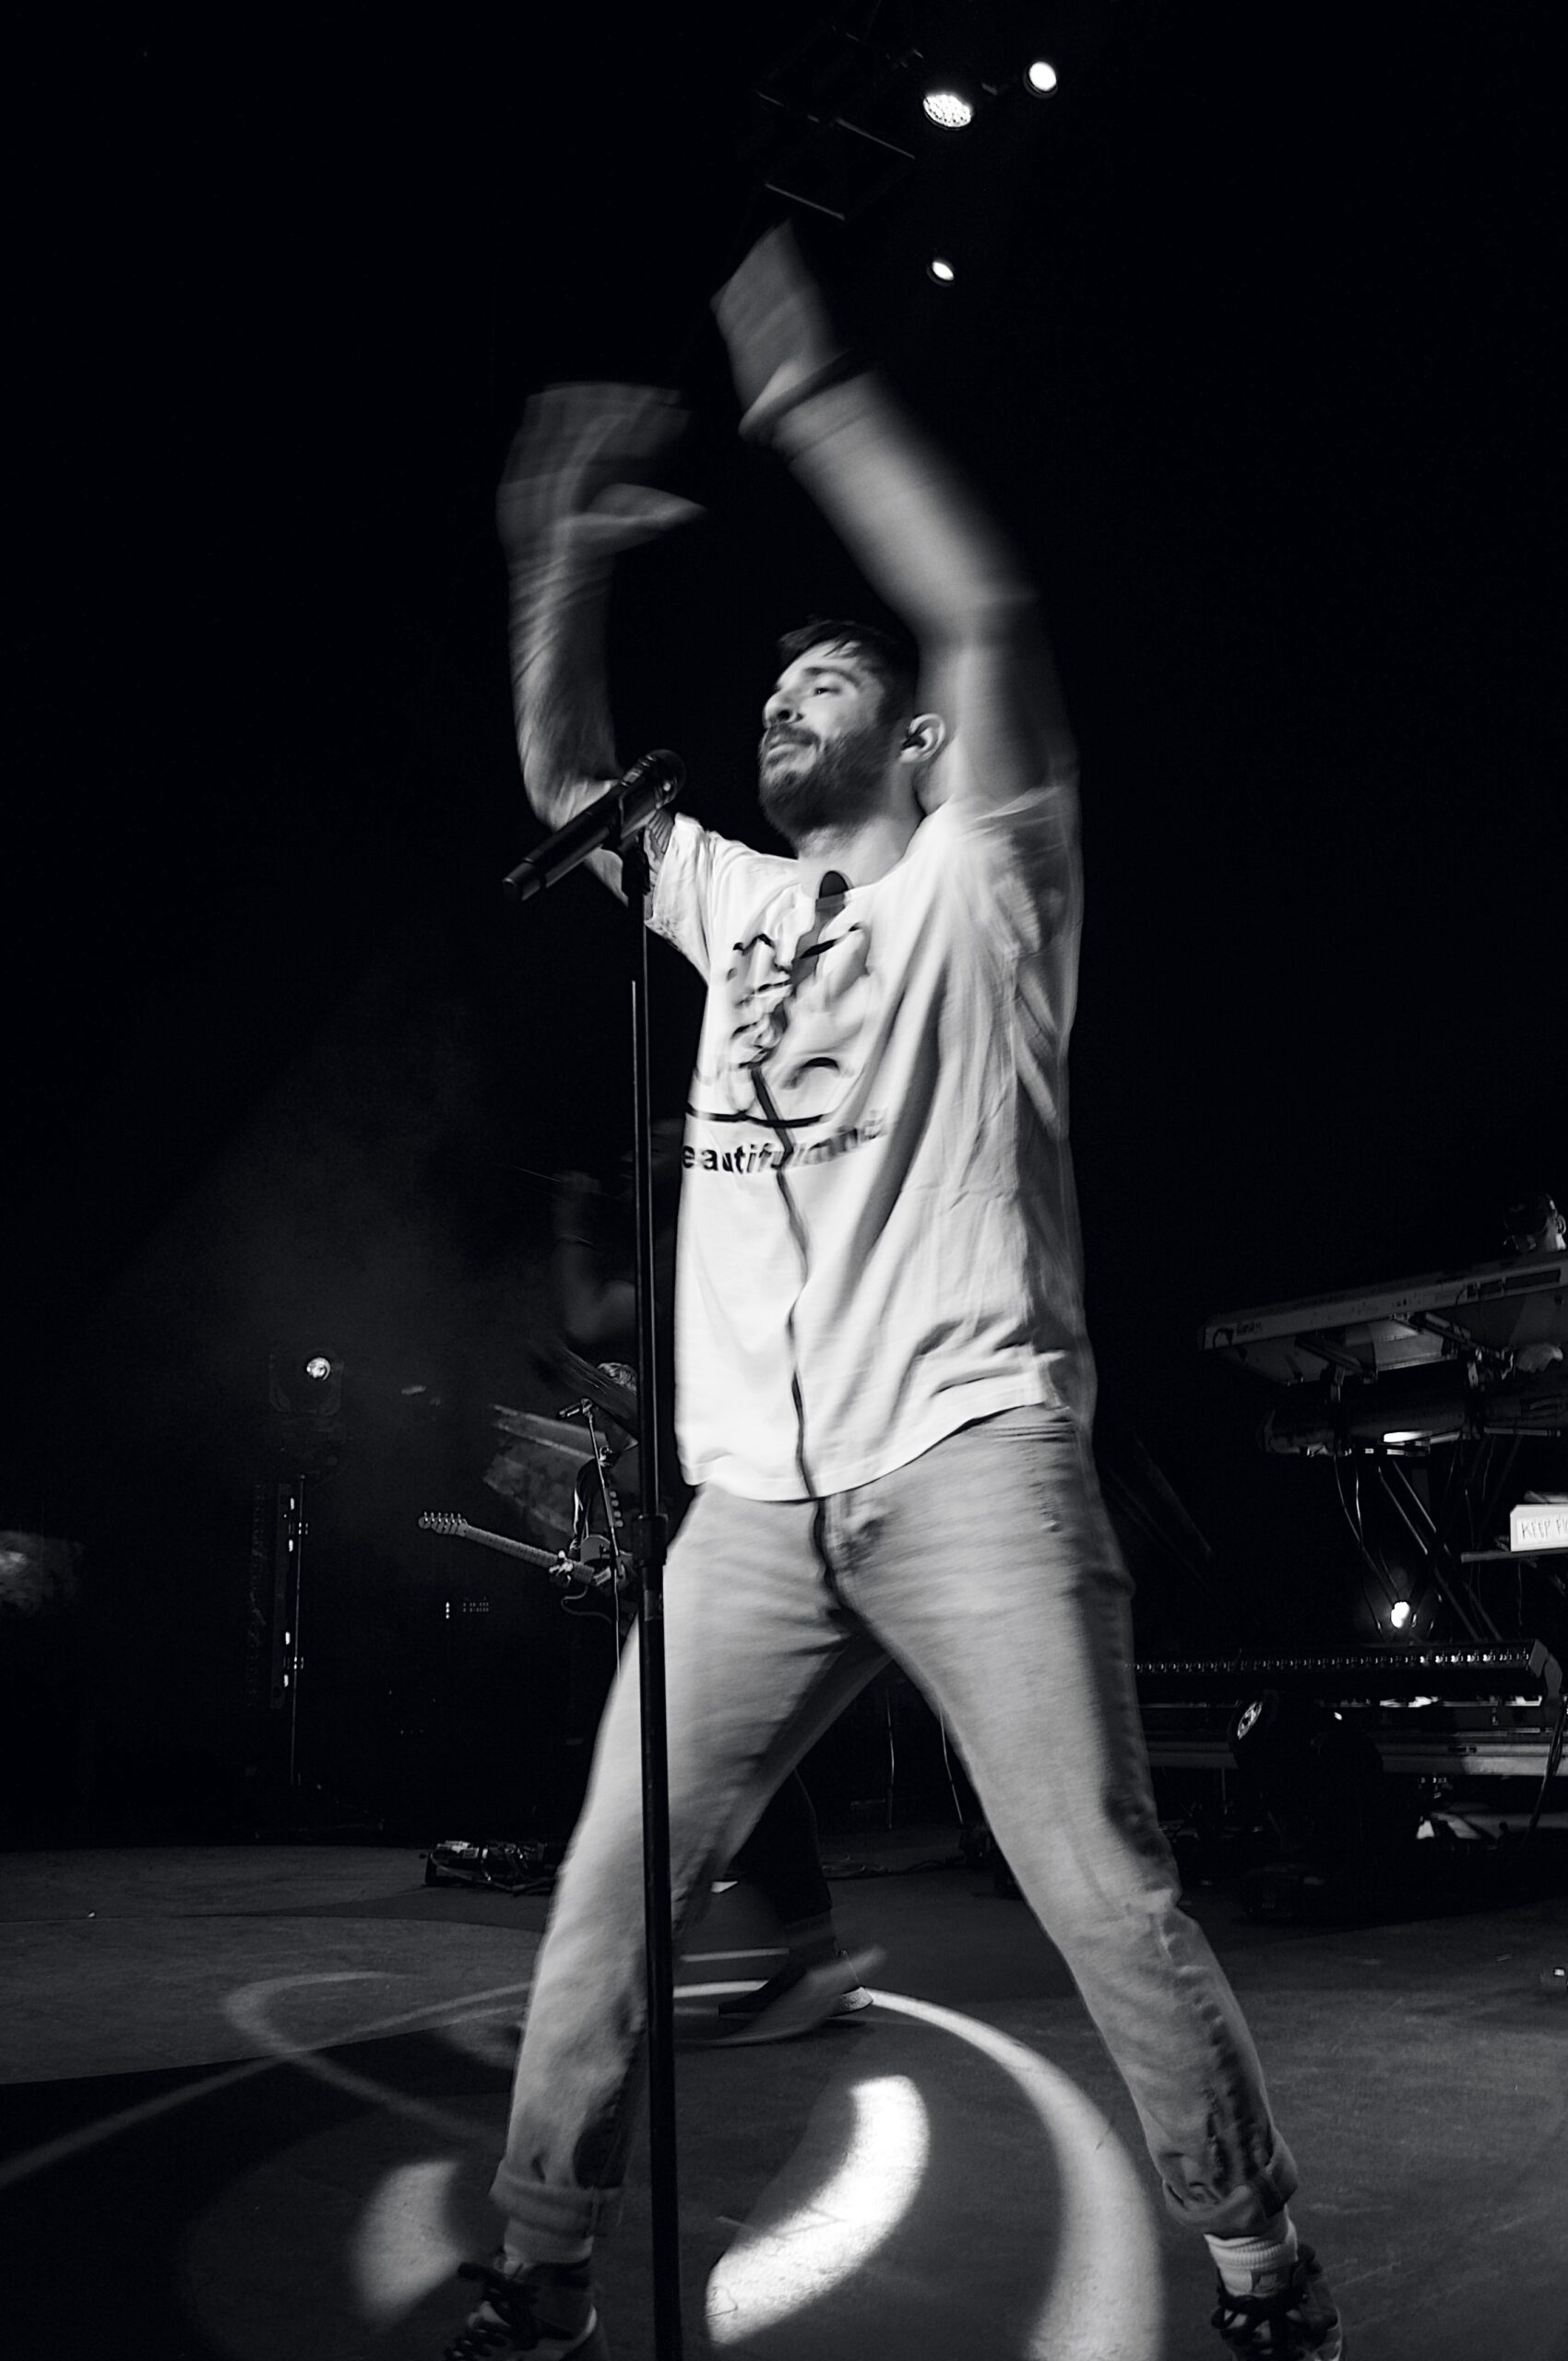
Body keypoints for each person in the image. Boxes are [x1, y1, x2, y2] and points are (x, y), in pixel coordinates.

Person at [446, 227, 1346, 2361]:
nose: (781, 701)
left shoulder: (985, 877)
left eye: (826, 684)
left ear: (927, 743)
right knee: (605, 1882)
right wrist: (551, 554)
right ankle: (541, 2267)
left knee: (1102, 1880)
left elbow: (986, 612)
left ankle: (1259, 2260)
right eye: (770, 690)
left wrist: (809, 398)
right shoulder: (730, 901)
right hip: (753, 1507)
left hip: (965, 1457)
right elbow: (567, 784)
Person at [548, 1155, 875, 2040]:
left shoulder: (697, 1262)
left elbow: (587, 1319)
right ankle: (811, 1958)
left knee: (702, 1767)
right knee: (726, 1765)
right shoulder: (735, 1261)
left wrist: (572, 1219)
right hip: (735, 1537)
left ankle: (659, 1980)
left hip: (733, 1540)